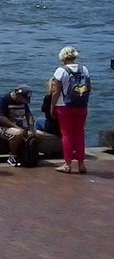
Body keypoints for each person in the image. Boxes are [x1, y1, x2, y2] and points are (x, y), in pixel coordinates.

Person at [51, 45, 90, 174]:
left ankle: (67, 164)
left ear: (62, 57)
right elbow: (89, 88)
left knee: (67, 135)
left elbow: (56, 92)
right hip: (81, 105)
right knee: (79, 134)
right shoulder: (84, 69)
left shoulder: (60, 71)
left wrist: (52, 106)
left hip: (64, 106)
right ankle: (81, 164)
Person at [0, 84, 38, 166]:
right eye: (23, 99)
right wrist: (16, 127)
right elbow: (0, 118)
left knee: (40, 135)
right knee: (18, 133)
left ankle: (27, 153)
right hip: (2, 128)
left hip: (20, 128)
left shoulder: (23, 102)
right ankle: (12, 156)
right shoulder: (3, 100)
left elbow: (29, 115)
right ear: (17, 94)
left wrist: (31, 128)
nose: (24, 101)